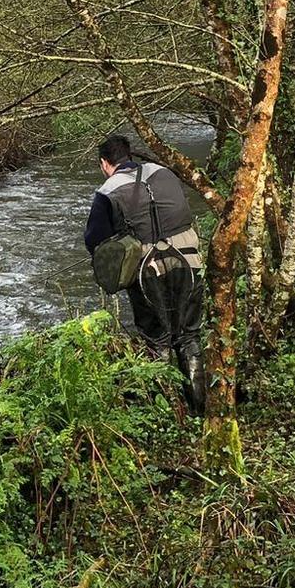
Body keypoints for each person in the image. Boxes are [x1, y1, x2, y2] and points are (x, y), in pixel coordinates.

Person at [84, 133, 207, 409]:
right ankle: (199, 411)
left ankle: (162, 414)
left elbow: (95, 242)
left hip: (148, 271)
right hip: (189, 262)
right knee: (189, 337)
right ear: (130, 155)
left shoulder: (106, 191)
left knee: (157, 341)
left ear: (105, 163)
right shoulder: (164, 173)